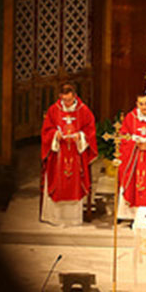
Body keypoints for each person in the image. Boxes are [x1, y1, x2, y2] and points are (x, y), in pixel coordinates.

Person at [40, 82, 97, 227]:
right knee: (57, 181)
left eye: (70, 100)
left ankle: (73, 219)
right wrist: (55, 134)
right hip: (58, 152)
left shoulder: (83, 110)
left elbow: (90, 129)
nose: (67, 103)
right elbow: (46, 131)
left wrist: (81, 136)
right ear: (60, 96)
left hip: (76, 152)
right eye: (64, 100)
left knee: (74, 182)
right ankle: (55, 217)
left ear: (75, 96)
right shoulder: (54, 110)